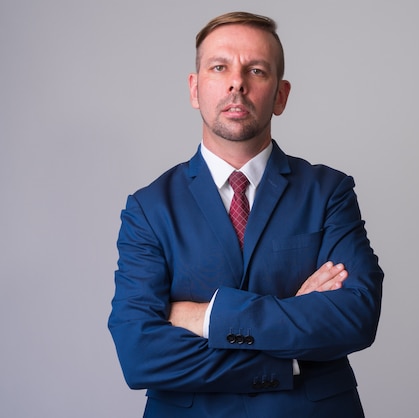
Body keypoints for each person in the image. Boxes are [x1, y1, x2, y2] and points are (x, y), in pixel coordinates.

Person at [108, 11, 384, 418]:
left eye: (256, 70)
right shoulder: (149, 208)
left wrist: (206, 317)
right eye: (219, 67)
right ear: (195, 88)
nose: (237, 82)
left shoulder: (329, 192)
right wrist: (285, 356)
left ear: (280, 95)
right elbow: (139, 353)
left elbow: (355, 315)